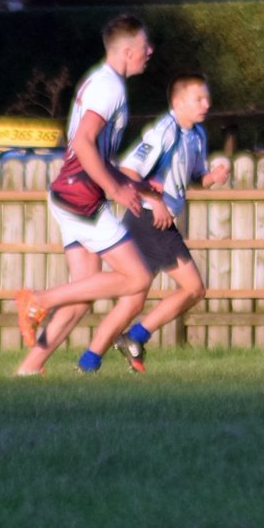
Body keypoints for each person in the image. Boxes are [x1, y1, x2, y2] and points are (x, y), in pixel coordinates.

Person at [14, 15, 153, 376]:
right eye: (144, 46)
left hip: (69, 192)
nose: (150, 51)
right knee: (138, 278)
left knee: (81, 295)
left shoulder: (101, 80)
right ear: (127, 51)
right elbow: (83, 142)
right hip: (82, 199)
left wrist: (131, 184)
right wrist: (115, 189)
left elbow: (94, 153)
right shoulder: (109, 87)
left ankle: (28, 370)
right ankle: (38, 300)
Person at [97, 73, 231, 373]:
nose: (206, 104)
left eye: (207, 98)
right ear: (178, 102)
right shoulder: (164, 132)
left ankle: (88, 362)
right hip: (149, 219)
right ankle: (135, 337)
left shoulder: (197, 134)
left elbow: (195, 179)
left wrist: (214, 176)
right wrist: (156, 201)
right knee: (194, 289)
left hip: (152, 219)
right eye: (199, 99)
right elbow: (129, 172)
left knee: (133, 299)